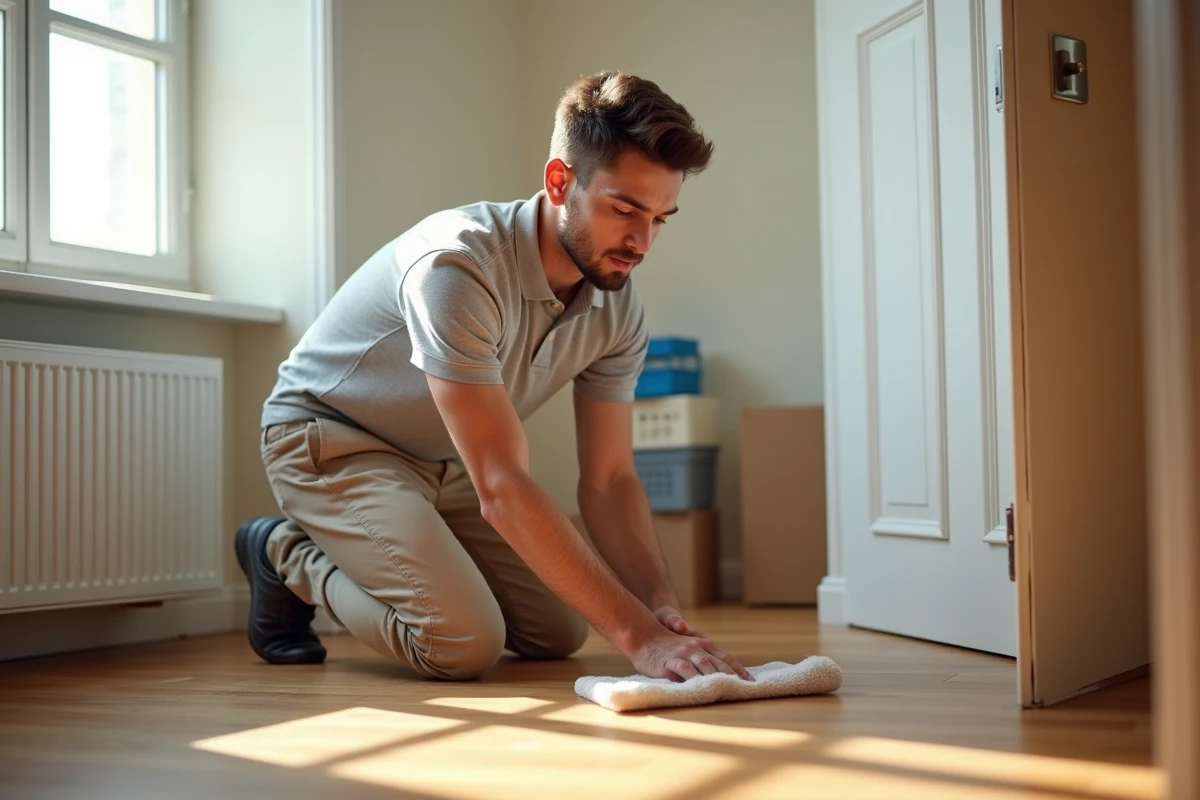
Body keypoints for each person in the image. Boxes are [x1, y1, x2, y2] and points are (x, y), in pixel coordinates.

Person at [236, 70, 754, 684]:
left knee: (557, 633)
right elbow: (503, 485)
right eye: (624, 209)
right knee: (461, 642)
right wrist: (637, 639)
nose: (642, 241)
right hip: (328, 437)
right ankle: (284, 551)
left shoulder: (616, 304)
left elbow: (611, 479)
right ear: (560, 181)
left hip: (442, 460)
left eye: (661, 218)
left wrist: (658, 607)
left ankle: (370, 539)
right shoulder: (457, 266)